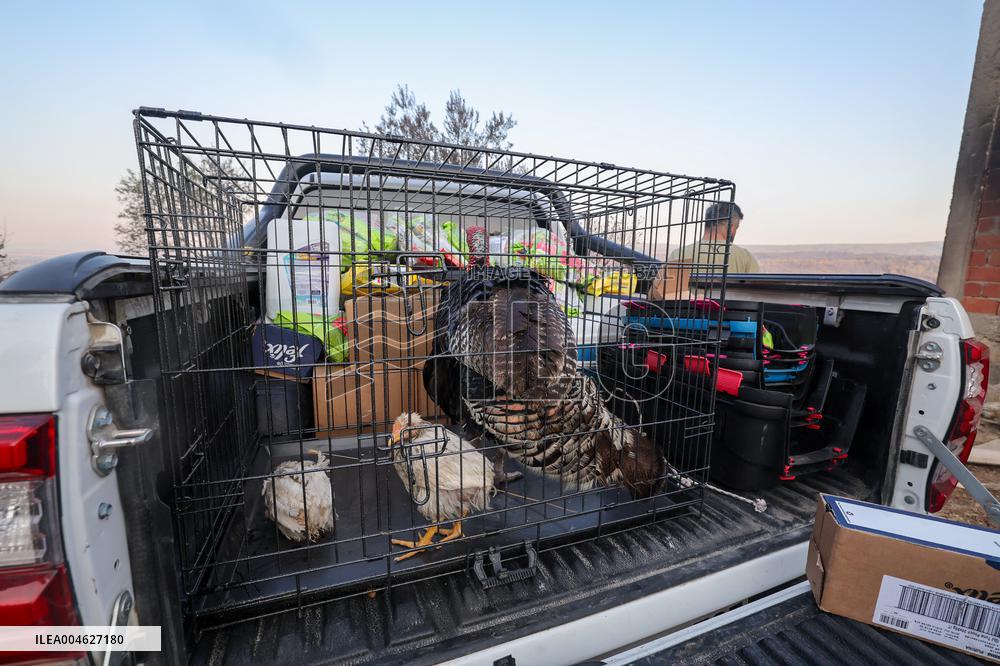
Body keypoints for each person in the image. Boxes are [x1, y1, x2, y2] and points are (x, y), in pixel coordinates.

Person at [648, 201, 759, 299]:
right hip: (730, 315)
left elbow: (654, 295)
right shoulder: (745, 257)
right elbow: (756, 295)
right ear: (731, 226)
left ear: (707, 223)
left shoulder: (678, 254)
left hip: (686, 315)